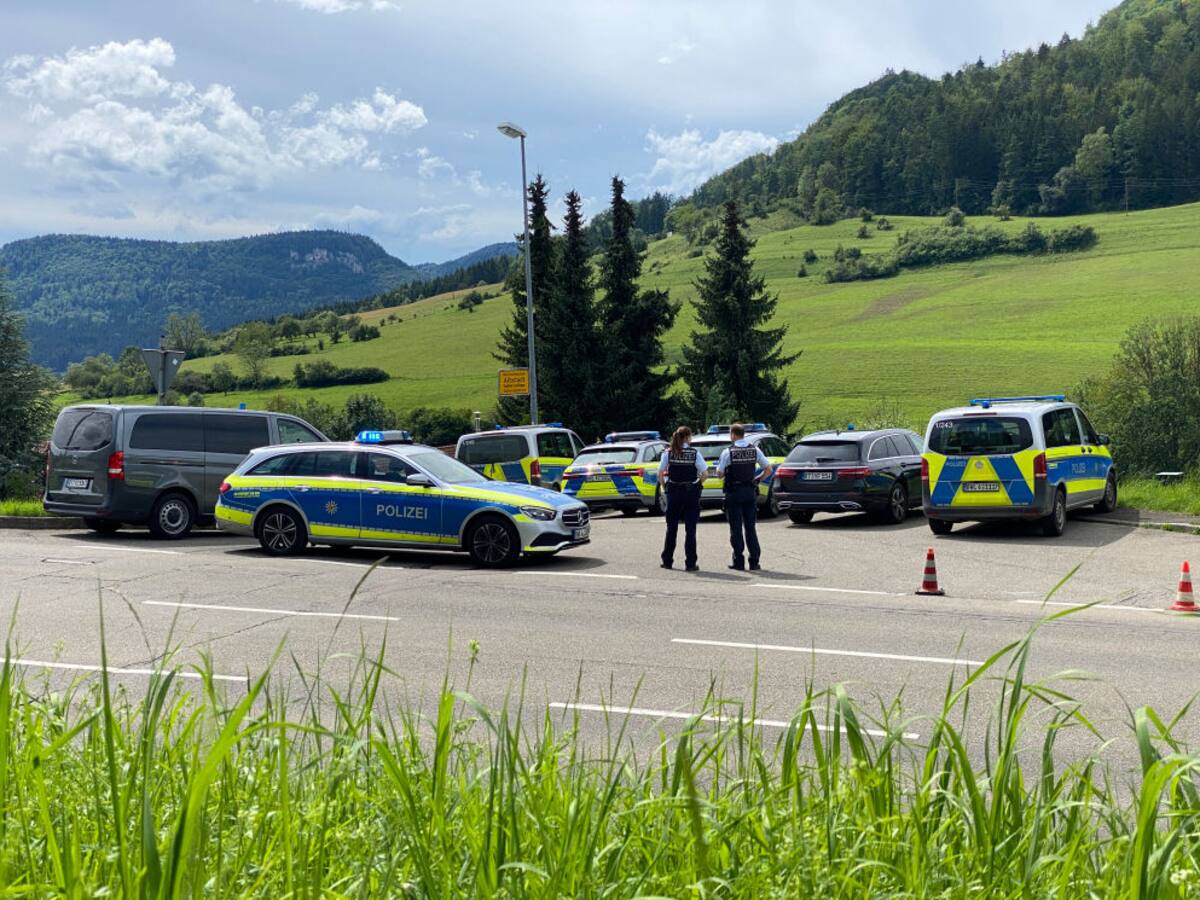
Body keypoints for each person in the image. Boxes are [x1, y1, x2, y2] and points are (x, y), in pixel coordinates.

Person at [715, 423, 774, 571]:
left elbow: (719, 474)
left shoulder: (728, 452)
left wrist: (722, 471)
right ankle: (754, 561)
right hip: (750, 491)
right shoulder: (754, 450)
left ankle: (738, 561)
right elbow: (768, 469)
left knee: (736, 528)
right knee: (750, 528)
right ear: (744, 434)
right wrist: (757, 479)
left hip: (734, 492)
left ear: (733, 435)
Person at [658, 425, 707, 571]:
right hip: (690, 493)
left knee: (671, 528)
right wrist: (697, 484)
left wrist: (664, 487)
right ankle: (690, 563)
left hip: (674, 492)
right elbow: (704, 473)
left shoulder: (669, 452)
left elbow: (660, 473)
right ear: (688, 437)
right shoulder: (694, 453)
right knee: (690, 529)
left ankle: (667, 561)